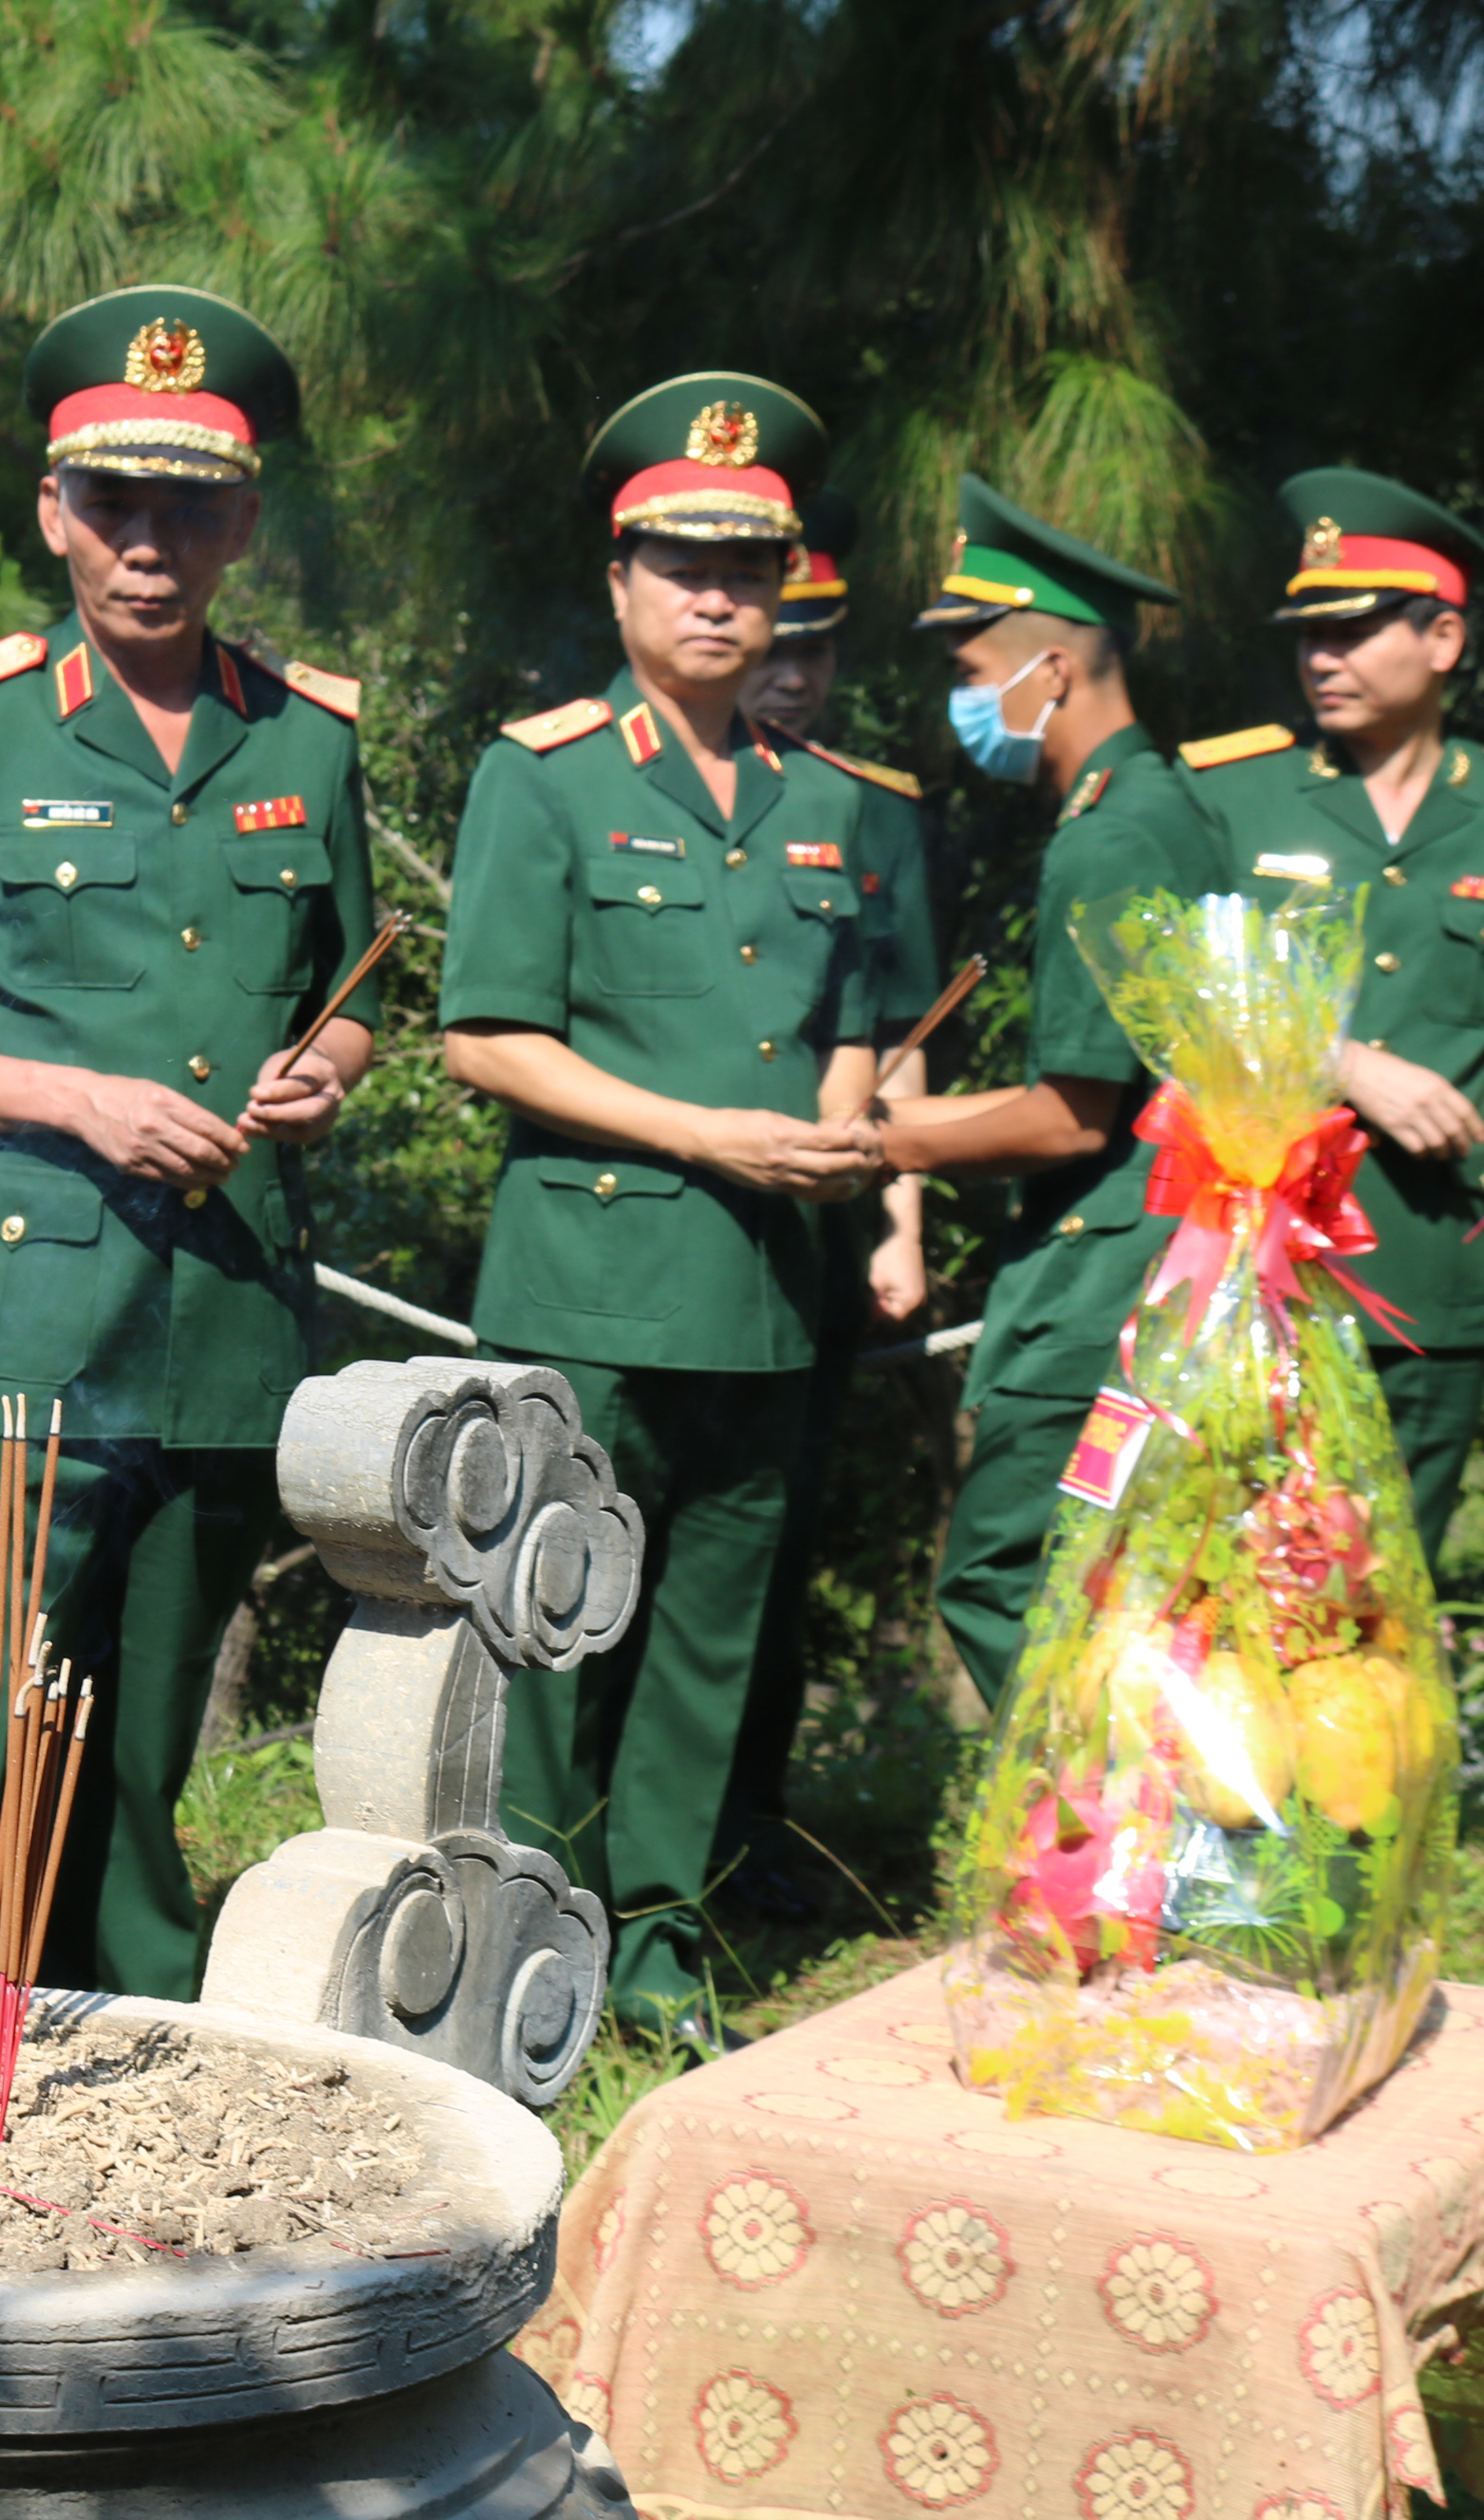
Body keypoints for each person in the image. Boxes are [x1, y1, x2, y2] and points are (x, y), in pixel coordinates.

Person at [0, 286, 379, 1998]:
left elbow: (353, 985)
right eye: (115, 505)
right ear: (52, 511)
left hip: (226, 1305)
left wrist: (326, 1066)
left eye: (190, 506)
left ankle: (138, 2026)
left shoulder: (307, 733)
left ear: (245, 521)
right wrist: (76, 1098)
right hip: (25, 1309)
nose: (151, 544)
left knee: (151, 1719)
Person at [435, 372, 885, 2043]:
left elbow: (848, 1016)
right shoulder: (542, 776)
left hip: (767, 1284)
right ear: (617, 583)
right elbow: (487, 1037)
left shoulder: (832, 799)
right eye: (680, 562)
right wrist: (714, 1132)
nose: (717, 596)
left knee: (708, 1636)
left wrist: (841, 1131)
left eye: (748, 567)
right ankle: (524, 1941)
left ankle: (664, 1950)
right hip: (594, 1279)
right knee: (553, 1632)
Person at [1192, 469, 1484, 1563]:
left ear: (1444, 639)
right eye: (1310, 635)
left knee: (1390, 1582)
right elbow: (1181, 1003)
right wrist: (1345, 1064)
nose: (1324, 658)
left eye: (1358, 631)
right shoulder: (1232, 795)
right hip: (1249, 1264)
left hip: (1431, 1266)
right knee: (1234, 1580)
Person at [872, 475, 1216, 1709]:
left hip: (1106, 1269)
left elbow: (1071, 1113)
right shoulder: (1170, 805)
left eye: (975, 673)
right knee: (1137, 1582)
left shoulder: (1109, 837)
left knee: (1002, 1574)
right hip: (1172, 1254)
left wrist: (884, 1140)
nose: (965, 703)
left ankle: (1089, 1849)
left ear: (1052, 671)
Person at [720, 486, 936, 1903]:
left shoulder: (875, 813)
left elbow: (908, 1031)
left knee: (770, 1551)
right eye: (773, 643)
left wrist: (903, 1224)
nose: (791, 670)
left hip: (825, 1215)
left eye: (817, 648)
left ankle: (749, 1835)